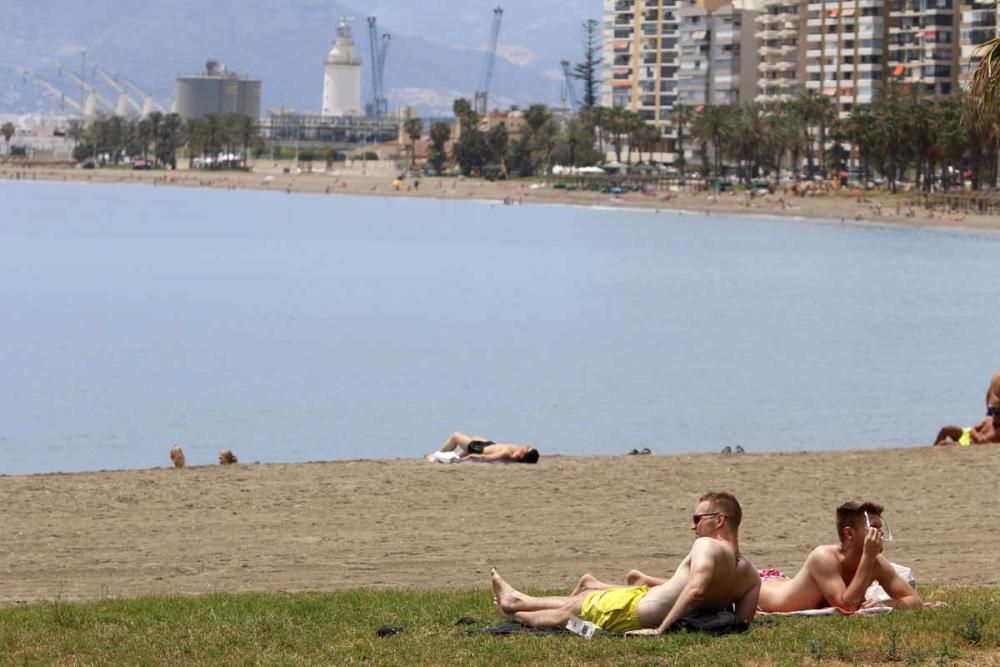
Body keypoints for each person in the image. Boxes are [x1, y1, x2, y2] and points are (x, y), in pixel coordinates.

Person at [490, 492, 760, 635]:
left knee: (571, 611)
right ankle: (520, 599)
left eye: (697, 518)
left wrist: (660, 629)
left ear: (720, 520)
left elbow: (696, 590)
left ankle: (515, 611)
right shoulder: (750, 574)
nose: (692, 526)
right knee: (586, 596)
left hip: (634, 612)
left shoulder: (707, 545)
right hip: (641, 599)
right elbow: (740, 621)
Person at [757, 501, 928, 612]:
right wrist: (868, 557)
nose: (881, 533)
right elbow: (846, 607)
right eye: (874, 527)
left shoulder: (876, 561)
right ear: (849, 533)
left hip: (785, 582)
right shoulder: (824, 557)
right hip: (762, 589)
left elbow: (915, 600)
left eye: (881, 528)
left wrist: (886, 605)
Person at [934, 370, 1000, 446]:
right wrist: (976, 433)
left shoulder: (996, 432)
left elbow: (982, 441)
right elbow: (974, 429)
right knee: (945, 429)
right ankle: (932, 450)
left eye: (997, 412)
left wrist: (977, 437)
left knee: (943, 443)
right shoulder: (989, 419)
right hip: (971, 434)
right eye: (995, 412)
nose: (995, 414)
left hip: (972, 442)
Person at [433, 431, 540, 463]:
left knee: (455, 436)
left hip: (479, 449)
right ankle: (452, 454)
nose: (526, 446)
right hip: (490, 445)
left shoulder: (507, 454)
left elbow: (485, 458)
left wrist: (465, 459)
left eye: (527, 449)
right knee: (473, 436)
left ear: (522, 455)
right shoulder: (516, 451)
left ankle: (438, 455)